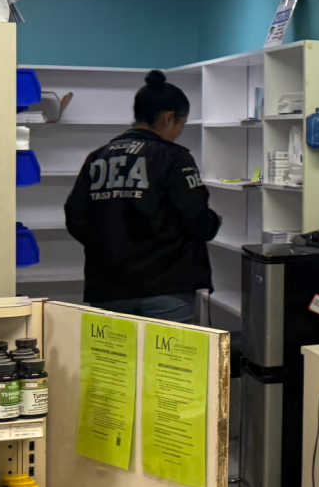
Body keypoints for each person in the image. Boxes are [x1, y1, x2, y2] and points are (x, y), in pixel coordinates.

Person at [65, 69, 221, 324]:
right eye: (181, 124)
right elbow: (197, 219)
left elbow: (75, 217)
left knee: (115, 351)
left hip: (108, 286)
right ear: (169, 118)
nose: (179, 132)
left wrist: (110, 246)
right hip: (166, 287)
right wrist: (213, 222)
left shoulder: (98, 157)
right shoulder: (174, 158)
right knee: (168, 351)